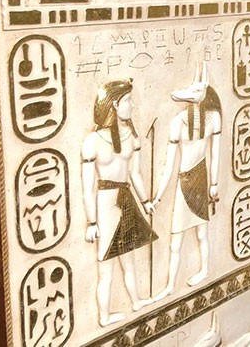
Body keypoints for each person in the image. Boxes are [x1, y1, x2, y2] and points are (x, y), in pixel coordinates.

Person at [82, 79, 157, 326]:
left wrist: (145, 201)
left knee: (129, 259)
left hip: (126, 199)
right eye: (127, 100)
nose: (132, 105)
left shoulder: (131, 137)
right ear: (114, 104)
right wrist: (92, 222)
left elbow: (135, 174)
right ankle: (104, 317)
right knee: (106, 267)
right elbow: (87, 188)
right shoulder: (92, 142)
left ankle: (135, 300)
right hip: (105, 204)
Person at [152, 63, 222, 300]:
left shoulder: (213, 119)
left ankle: (204, 269)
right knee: (177, 238)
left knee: (202, 232)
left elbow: (215, 153)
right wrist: (158, 196)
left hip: (201, 178)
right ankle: (170, 285)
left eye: (197, 91)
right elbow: (170, 165)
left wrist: (214, 183)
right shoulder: (178, 121)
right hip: (185, 180)